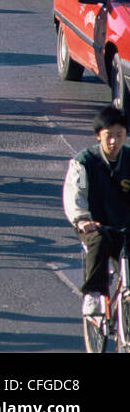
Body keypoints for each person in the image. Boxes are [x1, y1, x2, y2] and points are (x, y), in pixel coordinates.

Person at [64, 107, 130, 321]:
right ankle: (93, 294)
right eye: (108, 136)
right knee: (99, 241)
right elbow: (75, 193)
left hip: (125, 225)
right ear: (98, 135)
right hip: (95, 225)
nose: (114, 141)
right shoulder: (83, 162)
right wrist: (82, 219)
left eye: (119, 135)